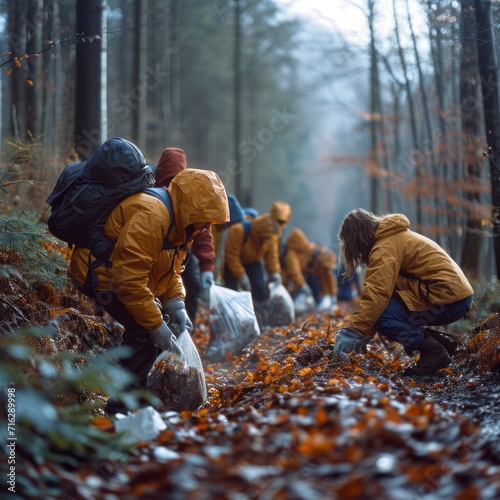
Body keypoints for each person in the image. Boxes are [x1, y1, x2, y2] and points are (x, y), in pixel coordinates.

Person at [69, 151, 229, 413]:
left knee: (150, 330)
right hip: (98, 273)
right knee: (143, 331)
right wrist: (155, 325)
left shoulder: (185, 224)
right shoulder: (152, 215)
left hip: (121, 275)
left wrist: (176, 303)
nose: (206, 227)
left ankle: (144, 401)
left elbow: (171, 270)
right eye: (207, 219)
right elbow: (129, 277)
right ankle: (120, 410)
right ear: (194, 208)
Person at [333, 209, 474, 376]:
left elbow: (376, 294)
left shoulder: (385, 247)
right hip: (455, 297)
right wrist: (364, 332)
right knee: (385, 312)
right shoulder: (395, 239)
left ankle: (434, 353)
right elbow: (389, 293)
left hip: (447, 300)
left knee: (381, 315)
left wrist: (354, 332)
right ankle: (444, 343)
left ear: (358, 238)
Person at [153, 147, 216, 324]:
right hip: (156, 251)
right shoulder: (149, 193)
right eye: (169, 180)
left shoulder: (192, 194)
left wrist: (206, 267)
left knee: (192, 286)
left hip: (185, 251)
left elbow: (203, 233)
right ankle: (161, 325)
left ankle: (186, 327)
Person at [224, 212, 283, 328]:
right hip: (234, 263)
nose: (267, 241)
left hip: (254, 262)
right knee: (232, 293)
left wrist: (275, 272)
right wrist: (241, 276)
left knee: (260, 290)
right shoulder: (238, 230)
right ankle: (232, 324)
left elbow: (272, 256)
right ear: (259, 234)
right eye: (264, 239)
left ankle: (260, 323)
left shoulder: (269, 237)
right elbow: (231, 256)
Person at [281, 227, 338, 314]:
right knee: (290, 296)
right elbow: (295, 270)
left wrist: (332, 294)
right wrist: (303, 286)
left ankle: (310, 308)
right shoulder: (292, 254)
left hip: (305, 276)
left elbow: (329, 277)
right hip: (292, 279)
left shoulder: (316, 253)